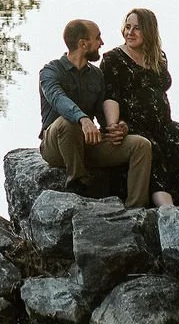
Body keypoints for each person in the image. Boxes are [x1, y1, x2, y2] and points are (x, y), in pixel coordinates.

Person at [39, 18, 155, 209]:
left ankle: (136, 209)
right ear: (83, 44)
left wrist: (119, 127)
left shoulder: (96, 75)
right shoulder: (51, 71)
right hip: (56, 146)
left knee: (140, 145)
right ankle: (79, 183)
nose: (102, 43)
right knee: (67, 122)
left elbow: (103, 114)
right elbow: (58, 99)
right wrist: (83, 119)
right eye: (98, 38)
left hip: (87, 145)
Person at [100, 7, 179, 208]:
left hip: (162, 124)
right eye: (127, 27)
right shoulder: (113, 58)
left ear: (149, 31)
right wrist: (113, 125)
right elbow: (110, 96)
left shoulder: (159, 57)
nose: (130, 32)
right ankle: (166, 208)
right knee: (154, 148)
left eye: (137, 28)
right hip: (131, 124)